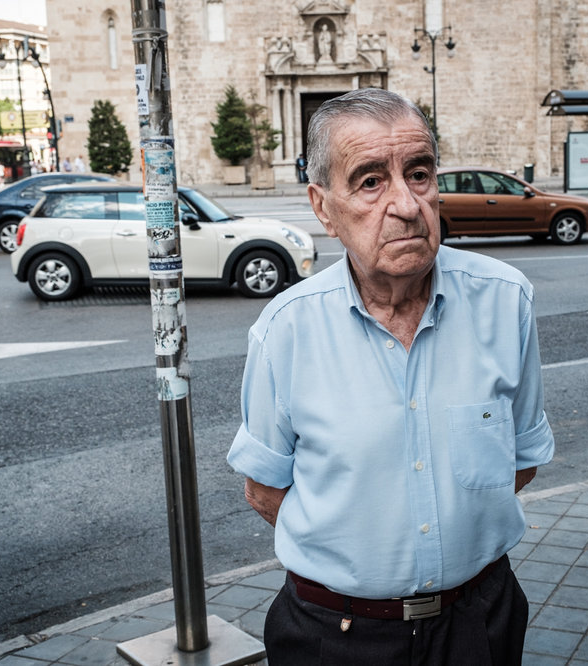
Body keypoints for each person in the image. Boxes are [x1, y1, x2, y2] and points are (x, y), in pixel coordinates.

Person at [227, 88, 554, 665]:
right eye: (371, 181)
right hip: (333, 634)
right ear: (323, 207)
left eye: (420, 174)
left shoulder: (506, 303)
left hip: (479, 623)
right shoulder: (286, 330)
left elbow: (520, 462)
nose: (406, 204)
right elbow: (264, 490)